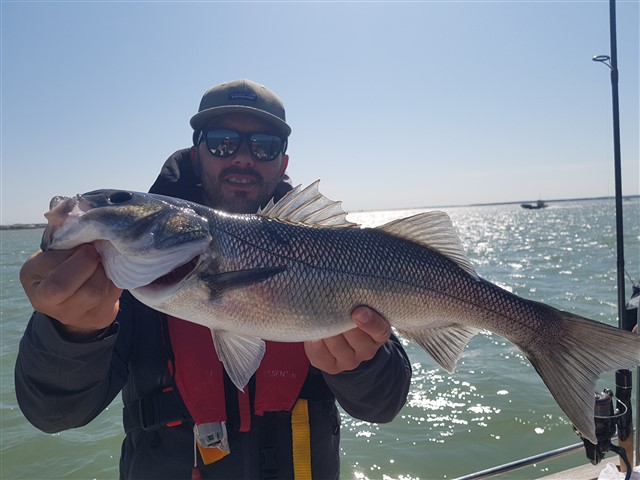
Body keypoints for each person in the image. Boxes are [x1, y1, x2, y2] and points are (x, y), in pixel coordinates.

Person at [15, 79, 412, 479]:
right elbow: (54, 415)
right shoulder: (128, 270)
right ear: (196, 153)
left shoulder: (334, 249)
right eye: (223, 142)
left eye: (264, 146)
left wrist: (362, 365)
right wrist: (69, 334)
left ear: (283, 162)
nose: (243, 157)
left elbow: (384, 405)